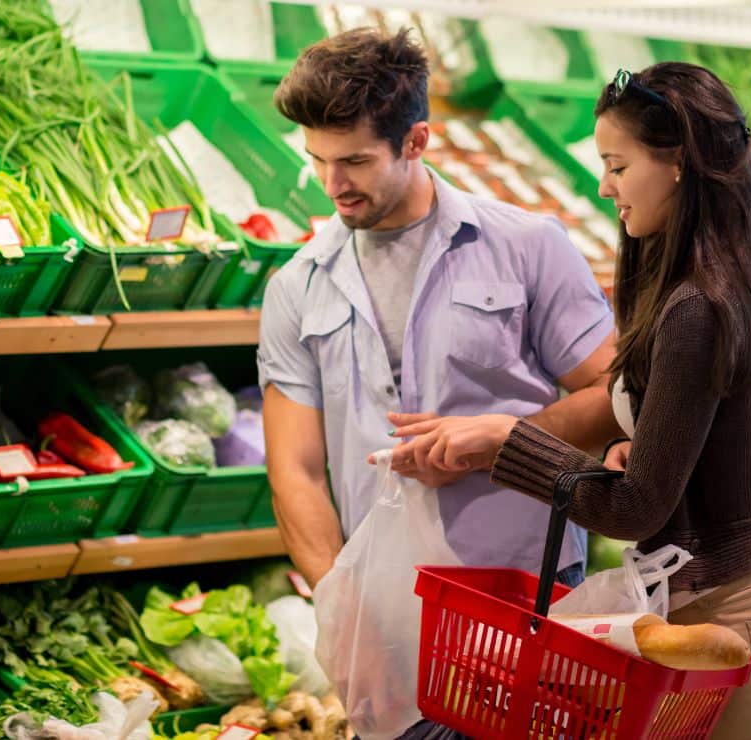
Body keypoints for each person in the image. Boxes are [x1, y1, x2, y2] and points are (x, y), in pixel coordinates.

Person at [388, 63, 751, 740]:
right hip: (732, 610)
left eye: (617, 165)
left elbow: (634, 510)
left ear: (677, 162)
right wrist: (639, 446)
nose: (603, 186)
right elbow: (715, 446)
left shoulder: (697, 307)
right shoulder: (738, 275)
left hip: (730, 632)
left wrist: (508, 440)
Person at [258, 27, 621, 595]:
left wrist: (500, 443)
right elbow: (295, 471)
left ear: (416, 141)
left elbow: (616, 395)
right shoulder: (298, 286)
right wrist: (337, 599)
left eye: (355, 160)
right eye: (318, 159)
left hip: (522, 579)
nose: (333, 184)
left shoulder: (527, 246)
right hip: (378, 589)